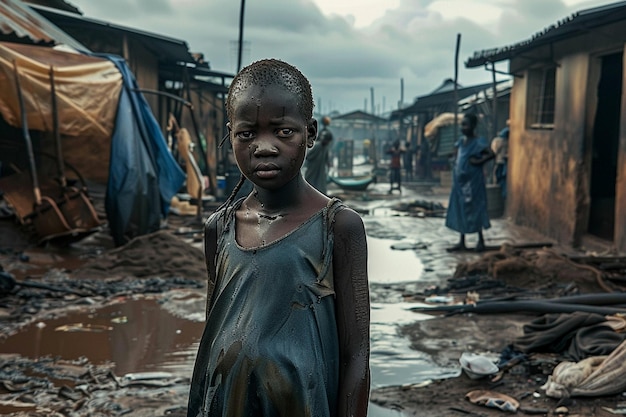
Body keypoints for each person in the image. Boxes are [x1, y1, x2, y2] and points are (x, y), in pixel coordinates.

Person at [187, 59, 370, 417]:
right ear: (231, 135)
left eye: (283, 132)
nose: (265, 147)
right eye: (247, 133)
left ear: (310, 133)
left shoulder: (337, 227)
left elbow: (356, 356)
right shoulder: (219, 229)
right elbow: (213, 337)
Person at [445, 113, 495, 252]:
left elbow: (491, 154)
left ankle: (481, 241)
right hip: (460, 183)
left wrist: (477, 162)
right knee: (460, 208)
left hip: (473, 183)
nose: (463, 127)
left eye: (465, 125)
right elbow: (456, 155)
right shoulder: (461, 142)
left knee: (476, 208)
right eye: (462, 125)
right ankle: (462, 241)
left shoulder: (479, 142)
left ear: (473, 126)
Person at [304, 115, 333, 194]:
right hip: (313, 167)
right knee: (310, 180)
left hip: (321, 167)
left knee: (320, 182)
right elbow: (308, 156)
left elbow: (326, 157)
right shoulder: (318, 146)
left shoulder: (325, 147)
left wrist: (328, 163)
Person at [491, 121, 509, 199]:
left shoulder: (500, 139)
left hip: (501, 162)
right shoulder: (507, 134)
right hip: (504, 163)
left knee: (500, 181)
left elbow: (494, 151)